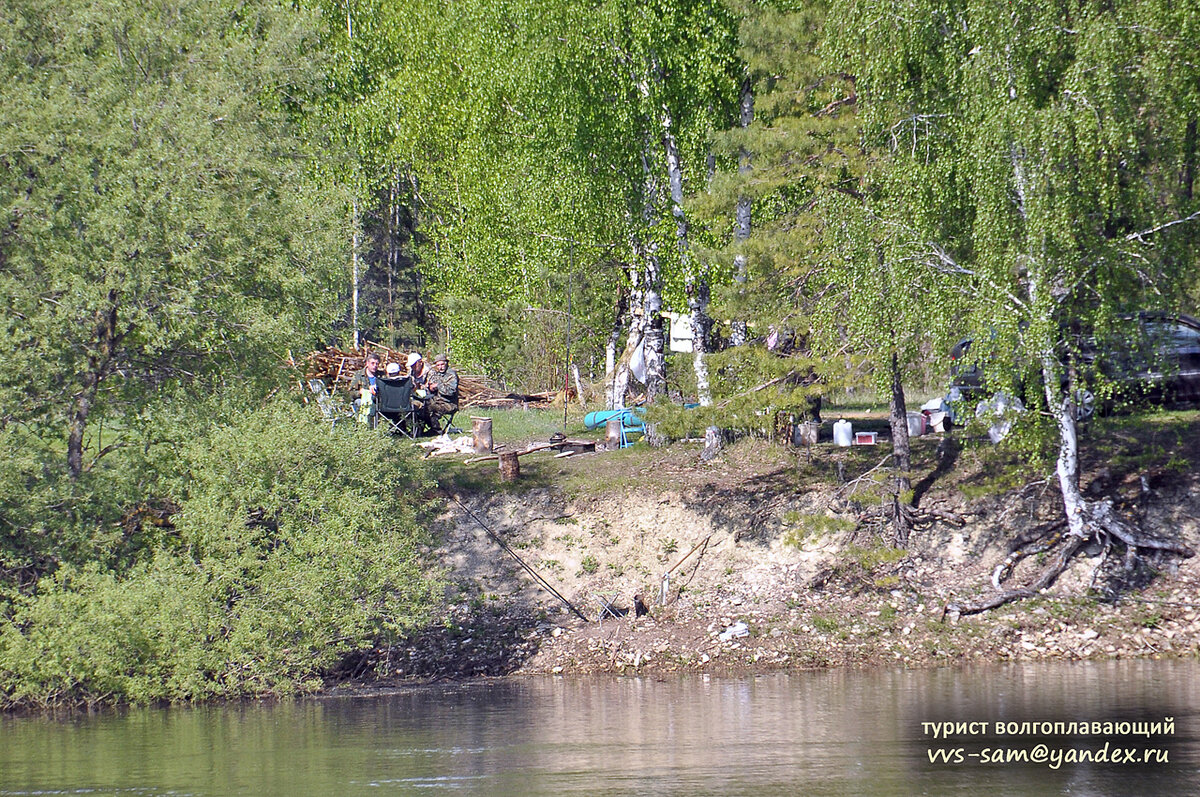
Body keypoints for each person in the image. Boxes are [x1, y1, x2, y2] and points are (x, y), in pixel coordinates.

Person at [423, 352, 459, 432]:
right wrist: (430, 387)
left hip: (449, 403)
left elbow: (451, 391)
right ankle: (419, 430)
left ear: (446, 364)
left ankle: (435, 429)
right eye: (438, 365)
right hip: (436, 401)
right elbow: (430, 386)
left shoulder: (451, 375)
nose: (440, 367)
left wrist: (438, 386)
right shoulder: (435, 374)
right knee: (421, 407)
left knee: (429, 408)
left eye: (442, 364)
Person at [348, 352, 381, 424]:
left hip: (378, 401)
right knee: (359, 402)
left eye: (377, 364)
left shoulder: (381, 376)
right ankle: (363, 425)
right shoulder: (359, 375)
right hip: (363, 400)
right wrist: (360, 392)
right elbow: (350, 393)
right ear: (367, 363)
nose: (375, 366)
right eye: (372, 363)